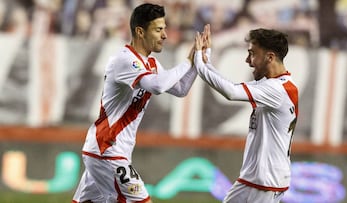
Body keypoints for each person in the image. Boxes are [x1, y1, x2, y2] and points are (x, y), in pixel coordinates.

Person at [72, 3, 199, 203]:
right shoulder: (124, 60)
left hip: (107, 151)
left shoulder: (152, 64)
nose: (165, 35)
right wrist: (188, 62)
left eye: (164, 29)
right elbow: (156, 86)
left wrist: (199, 61)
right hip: (107, 149)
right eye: (158, 30)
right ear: (140, 32)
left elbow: (181, 89)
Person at [194, 25, 298, 203]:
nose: (247, 60)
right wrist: (207, 61)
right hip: (254, 180)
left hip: (264, 182)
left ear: (270, 57)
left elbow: (231, 92)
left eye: (252, 54)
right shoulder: (274, 84)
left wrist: (198, 61)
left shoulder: (277, 90)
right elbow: (232, 86)